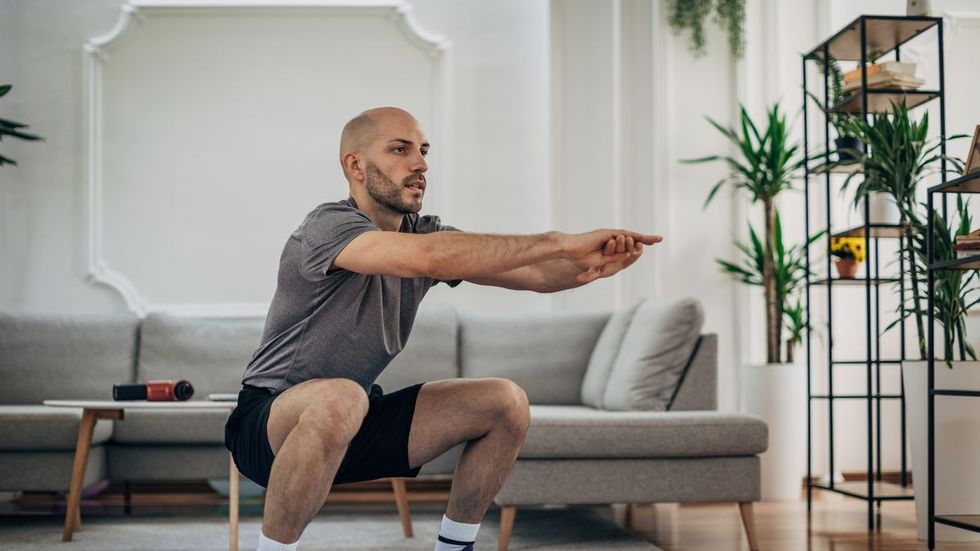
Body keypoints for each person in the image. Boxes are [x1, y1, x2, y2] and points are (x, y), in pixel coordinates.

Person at [223, 106, 662, 551]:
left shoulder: (424, 233)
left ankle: (455, 548)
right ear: (355, 166)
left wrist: (589, 266)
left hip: (356, 418)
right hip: (269, 424)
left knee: (504, 402)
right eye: (400, 150)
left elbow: (533, 274)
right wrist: (557, 241)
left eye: (424, 151)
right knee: (341, 397)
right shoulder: (327, 226)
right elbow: (429, 258)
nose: (420, 164)